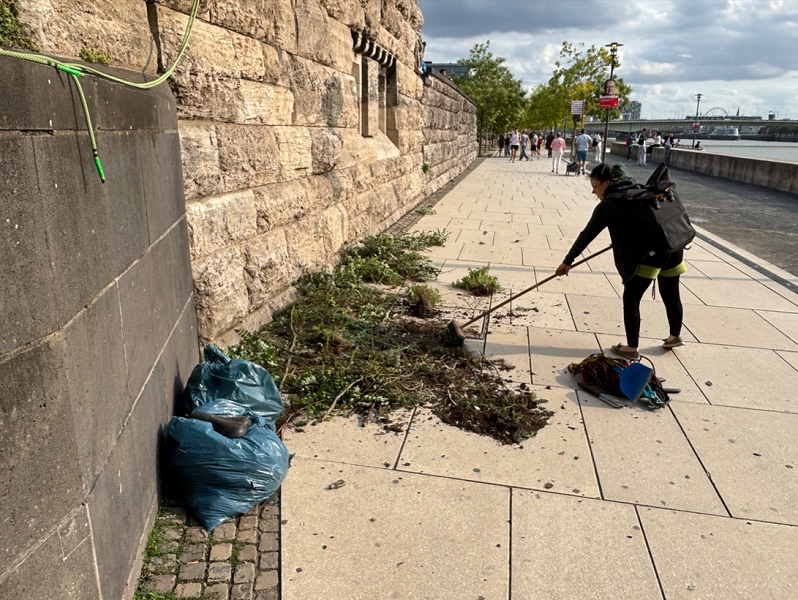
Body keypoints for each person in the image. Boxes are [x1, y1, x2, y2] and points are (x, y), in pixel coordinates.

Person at [555, 163, 686, 359]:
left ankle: (631, 348)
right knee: (671, 294)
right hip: (674, 248)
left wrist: (567, 261)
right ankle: (674, 336)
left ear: (607, 183)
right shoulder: (639, 190)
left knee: (631, 298)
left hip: (651, 256)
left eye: (595, 186)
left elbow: (587, 235)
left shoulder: (609, 204)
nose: (594, 191)